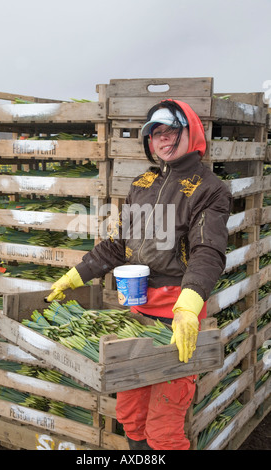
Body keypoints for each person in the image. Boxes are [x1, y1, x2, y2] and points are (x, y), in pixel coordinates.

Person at [47, 99, 232, 450]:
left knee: (165, 426)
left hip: (177, 318)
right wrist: (74, 276)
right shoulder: (142, 184)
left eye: (171, 131)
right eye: (155, 133)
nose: (163, 140)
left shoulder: (210, 189)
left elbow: (208, 251)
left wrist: (189, 306)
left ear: (190, 132)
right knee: (131, 414)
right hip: (137, 313)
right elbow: (117, 245)